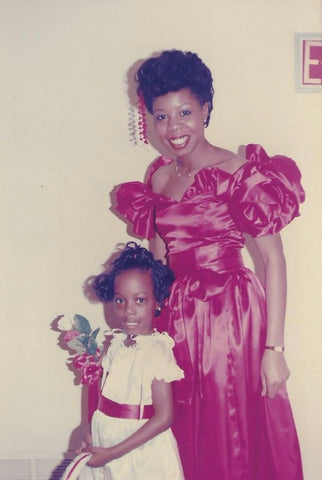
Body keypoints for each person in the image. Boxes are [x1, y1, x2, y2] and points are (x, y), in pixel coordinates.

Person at [113, 50, 305, 480]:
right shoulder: (159, 177)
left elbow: (273, 261)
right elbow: (157, 263)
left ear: (205, 110)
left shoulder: (237, 172)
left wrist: (274, 350)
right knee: (177, 425)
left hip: (229, 315)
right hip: (176, 317)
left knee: (230, 424)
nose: (173, 128)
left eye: (184, 112)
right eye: (160, 116)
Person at [79, 242, 185, 480]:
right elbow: (103, 399)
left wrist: (113, 452)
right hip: (107, 442)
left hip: (140, 452)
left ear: (157, 302)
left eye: (140, 300)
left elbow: (165, 416)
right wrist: (89, 432)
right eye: (120, 300)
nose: (128, 311)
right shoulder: (114, 344)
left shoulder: (157, 350)